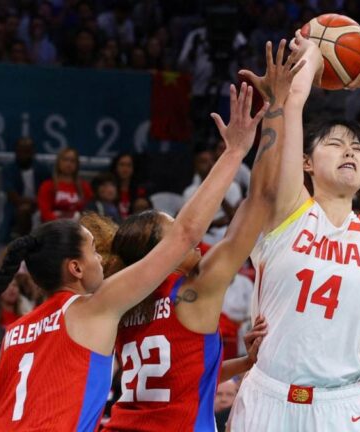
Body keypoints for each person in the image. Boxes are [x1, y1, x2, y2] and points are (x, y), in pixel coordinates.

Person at [0, 79, 259, 430]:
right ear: (76, 267)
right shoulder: (94, 309)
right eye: (93, 250)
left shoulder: (16, 331)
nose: (102, 258)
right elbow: (183, 235)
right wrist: (234, 152)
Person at [230, 32, 360, 431]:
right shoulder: (287, 210)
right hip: (269, 397)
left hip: (343, 407)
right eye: (336, 144)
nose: (350, 151)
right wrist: (309, 55)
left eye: (358, 148)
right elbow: (292, 106)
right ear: (306, 163)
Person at [102, 41, 297, 431]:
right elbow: (263, 195)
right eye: (173, 230)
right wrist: (277, 105)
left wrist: (243, 363)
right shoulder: (196, 289)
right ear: (159, 254)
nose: (188, 235)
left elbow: (173, 379)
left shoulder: (120, 303)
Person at [0, 137, 51, 244]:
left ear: (33, 152)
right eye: (20, 151)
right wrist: (28, 203)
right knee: (22, 211)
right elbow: (12, 196)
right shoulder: (8, 169)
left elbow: (47, 192)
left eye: (27, 151)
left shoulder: (43, 169)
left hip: (40, 204)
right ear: (16, 152)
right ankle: (21, 241)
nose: (23, 155)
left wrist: (35, 203)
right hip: (15, 205)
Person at [36, 147, 93, 222]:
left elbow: (90, 211)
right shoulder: (47, 185)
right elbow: (45, 212)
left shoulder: (84, 187)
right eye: (65, 160)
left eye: (72, 161)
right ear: (58, 162)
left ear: (77, 164)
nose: (68, 163)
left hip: (77, 227)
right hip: (53, 226)